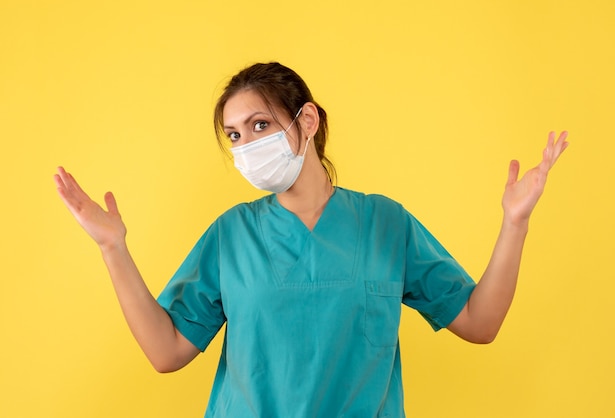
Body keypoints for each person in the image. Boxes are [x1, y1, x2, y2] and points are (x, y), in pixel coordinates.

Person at [54, 62, 569, 417]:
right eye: (234, 135)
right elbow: (166, 352)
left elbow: (480, 323)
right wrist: (112, 248)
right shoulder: (233, 235)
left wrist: (515, 221)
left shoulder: (385, 224)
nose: (246, 146)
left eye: (259, 125)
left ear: (307, 120)